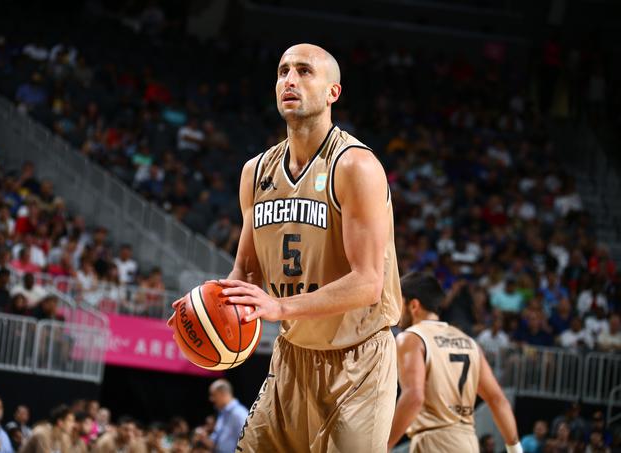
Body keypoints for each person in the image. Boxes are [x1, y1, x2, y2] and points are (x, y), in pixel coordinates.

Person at [171, 43, 401, 452]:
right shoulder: (255, 172)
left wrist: (280, 309)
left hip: (358, 362)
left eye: (304, 71)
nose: (289, 80)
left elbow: (367, 282)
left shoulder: (355, 166)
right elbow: (245, 271)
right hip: (292, 356)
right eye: (282, 72)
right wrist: (206, 308)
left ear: (333, 92)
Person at [387, 272, 521, 453]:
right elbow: (498, 400)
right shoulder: (469, 342)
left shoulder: (411, 338)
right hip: (468, 442)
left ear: (413, 305)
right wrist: (515, 449)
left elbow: (414, 398)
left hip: (434, 441)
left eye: (399, 303)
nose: (396, 311)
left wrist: (383, 446)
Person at [208, 380, 248, 453]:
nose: (211, 399)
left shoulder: (240, 414)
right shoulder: (222, 413)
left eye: (213, 395)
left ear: (223, 394)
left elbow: (247, 442)